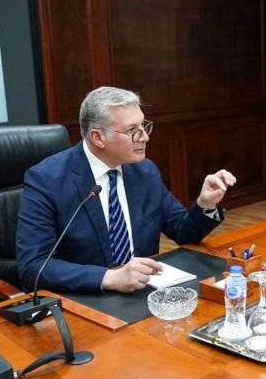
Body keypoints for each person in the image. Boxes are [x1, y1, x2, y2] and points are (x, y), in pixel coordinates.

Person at [16, 86, 236, 293]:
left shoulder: (144, 171)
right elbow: (33, 266)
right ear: (98, 137)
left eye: (144, 126)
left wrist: (205, 204)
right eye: (132, 130)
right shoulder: (47, 180)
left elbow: (181, 231)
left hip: (144, 293)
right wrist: (108, 278)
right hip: (85, 298)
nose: (145, 137)